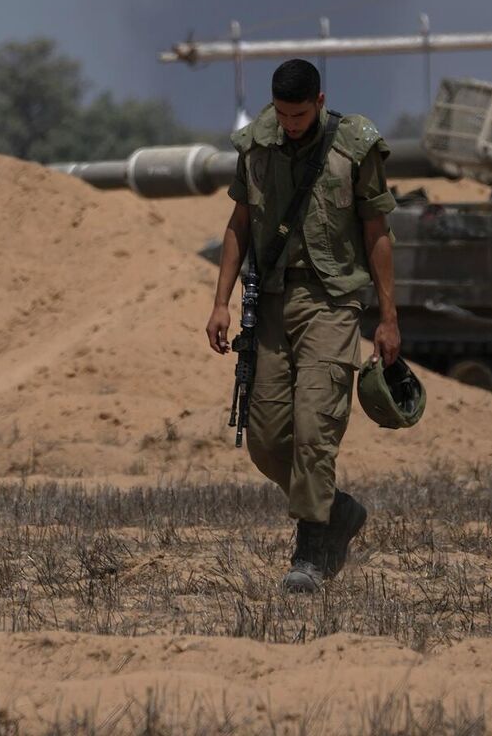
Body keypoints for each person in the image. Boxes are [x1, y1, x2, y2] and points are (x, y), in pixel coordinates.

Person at [206, 59, 400, 592]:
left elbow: (377, 229)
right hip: (269, 302)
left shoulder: (354, 146)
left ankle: (311, 552)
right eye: (282, 114)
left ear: (319, 101)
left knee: (316, 428)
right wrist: (220, 302)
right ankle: (336, 509)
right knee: (266, 440)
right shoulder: (254, 147)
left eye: (299, 114)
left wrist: (388, 317)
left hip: (333, 302)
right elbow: (238, 223)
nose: (290, 124)